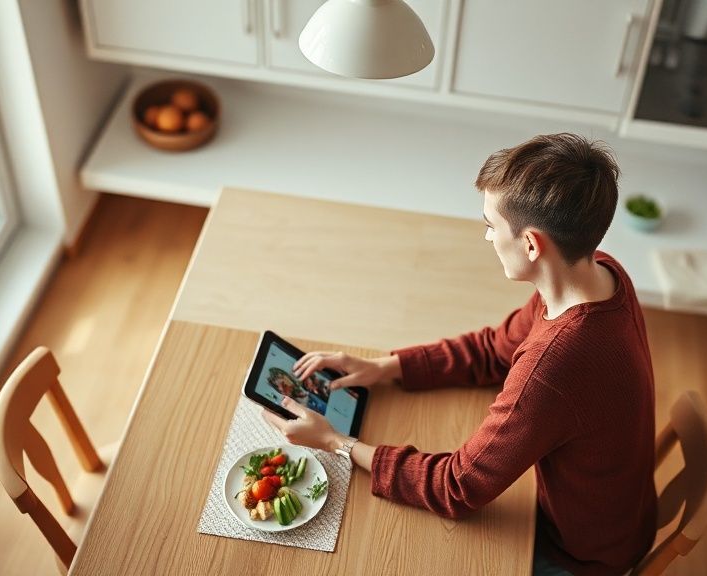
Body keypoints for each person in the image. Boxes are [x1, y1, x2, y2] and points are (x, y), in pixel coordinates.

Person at [261, 133, 658, 576]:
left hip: (579, 554)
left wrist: (337, 442)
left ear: (531, 244)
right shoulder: (597, 270)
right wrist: (384, 367)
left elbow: (457, 488)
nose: (487, 237)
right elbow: (494, 348)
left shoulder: (555, 365)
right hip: (621, 517)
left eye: (491, 225)